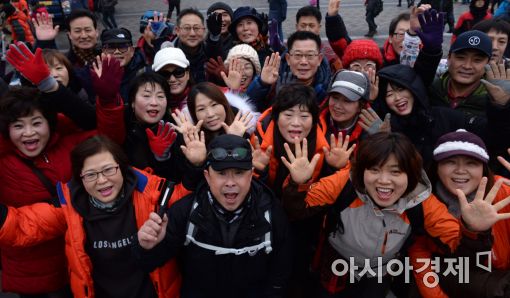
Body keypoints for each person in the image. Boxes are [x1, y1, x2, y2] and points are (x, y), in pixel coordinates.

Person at [280, 131, 510, 297]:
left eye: (395, 172)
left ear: (411, 176)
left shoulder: (422, 202)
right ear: (361, 171)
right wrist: (299, 184)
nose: (384, 181)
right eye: (375, 170)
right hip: (335, 261)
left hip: (382, 270)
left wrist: (473, 230)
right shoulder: (346, 182)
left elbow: (460, 251)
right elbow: (298, 209)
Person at [0, 45, 123, 296]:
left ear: (50, 123)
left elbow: (108, 137)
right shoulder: (4, 161)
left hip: (79, 262)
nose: (29, 133)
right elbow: (11, 225)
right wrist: (68, 208)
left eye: (36, 123)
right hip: (34, 276)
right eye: (18, 126)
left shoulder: (68, 144)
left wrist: (109, 102)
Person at [0, 135, 181, 297]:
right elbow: (23, 225)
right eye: (91, 174)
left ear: (122, 168)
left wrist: (194, 165)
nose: (102, 180)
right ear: (80, 177)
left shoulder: (151, 192)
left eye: (109, 170)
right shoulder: (69, 205)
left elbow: (185, 197)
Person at [135, 134, 292, 298]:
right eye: (221, 173)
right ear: (207, 176)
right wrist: (146, 246)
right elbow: (148, 264)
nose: (230, 182)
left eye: (239, 172)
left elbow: (281, 273)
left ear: (251, 174)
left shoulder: (272, 212)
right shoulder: (185, 211)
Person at [410, 129, 510, 297]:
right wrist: (473, 229)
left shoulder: (504, 190)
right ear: (437, 168)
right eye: (450, 162)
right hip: (459, 277)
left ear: (484, 170)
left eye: (471, 163)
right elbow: (420, 258)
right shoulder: (422, 205)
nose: (460, 170)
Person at [428, 30, 510, 117]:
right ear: (448, 58)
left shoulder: (495, 98)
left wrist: (503, 105)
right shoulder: (431, 89)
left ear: (488, 63)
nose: (467, 66)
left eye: (477, 60)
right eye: (461, 58)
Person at [100, 27, 147, 102]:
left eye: (122, 46)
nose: (117, 52)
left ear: (132, 51)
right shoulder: (94, 74)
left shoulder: (146, 73)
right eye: (111, 47)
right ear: (103, 51)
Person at [152, 46, 193, 112]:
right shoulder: (149, 105)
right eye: (164, 74)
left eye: (178, 72)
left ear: (188, 74)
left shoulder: (201, 100)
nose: (172, 79)